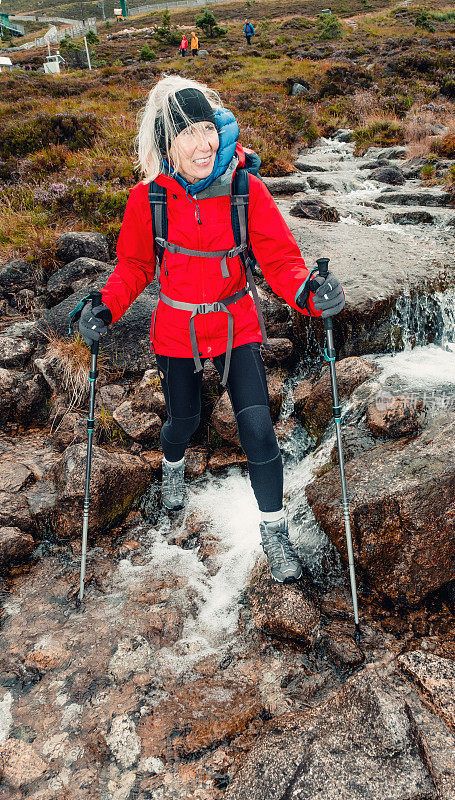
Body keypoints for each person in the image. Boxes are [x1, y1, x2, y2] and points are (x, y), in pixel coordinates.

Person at [76, 76, 345, 584]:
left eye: (208, 128)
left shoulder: (245, 189)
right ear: (165, 145)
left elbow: (282, 260)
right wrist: (105, 309)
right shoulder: (148, 200)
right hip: (176, 326)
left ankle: (274, 533)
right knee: (183, 417)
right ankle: (172, 468)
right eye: (188, 133)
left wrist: (310, 293)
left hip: (235, 321)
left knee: (259, 430)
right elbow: (133, 266)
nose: (205, 142)